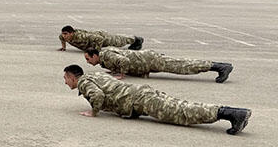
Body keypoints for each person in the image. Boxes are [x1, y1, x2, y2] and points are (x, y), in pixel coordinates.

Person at [61, 64, 251, 134]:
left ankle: (231, 113)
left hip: (140, 100)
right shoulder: (94, 74)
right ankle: (232, 114)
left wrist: (93, 112)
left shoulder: (84, 83)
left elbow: (99, 95)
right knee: (181, 107)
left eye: (65, 78)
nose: (65, 82)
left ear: (72, 77)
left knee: (181, 113)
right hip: (141, 94)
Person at [84, 48, 233, 83]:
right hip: (148, 61)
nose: (88, 62)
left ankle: (220, 67)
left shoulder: (106, 55)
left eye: (88, 59)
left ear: (94, 55)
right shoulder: (104, 57)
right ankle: (218, 67)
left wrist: (121, 75)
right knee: (183, 66)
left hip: (150, 60)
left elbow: (124, 61)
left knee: (184, 66)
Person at [59, 25, 142, 52]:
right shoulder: (62, 37)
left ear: (72, 33)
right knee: (119, 39)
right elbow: (62, 39)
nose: (64, 36)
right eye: (63, 34)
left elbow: (99, 39)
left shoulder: (82, 36)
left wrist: (96, 51)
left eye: (66, 34)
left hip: (102, 37)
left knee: (119, 41)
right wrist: (63, 47)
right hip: (94, 40)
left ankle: (136, 39)